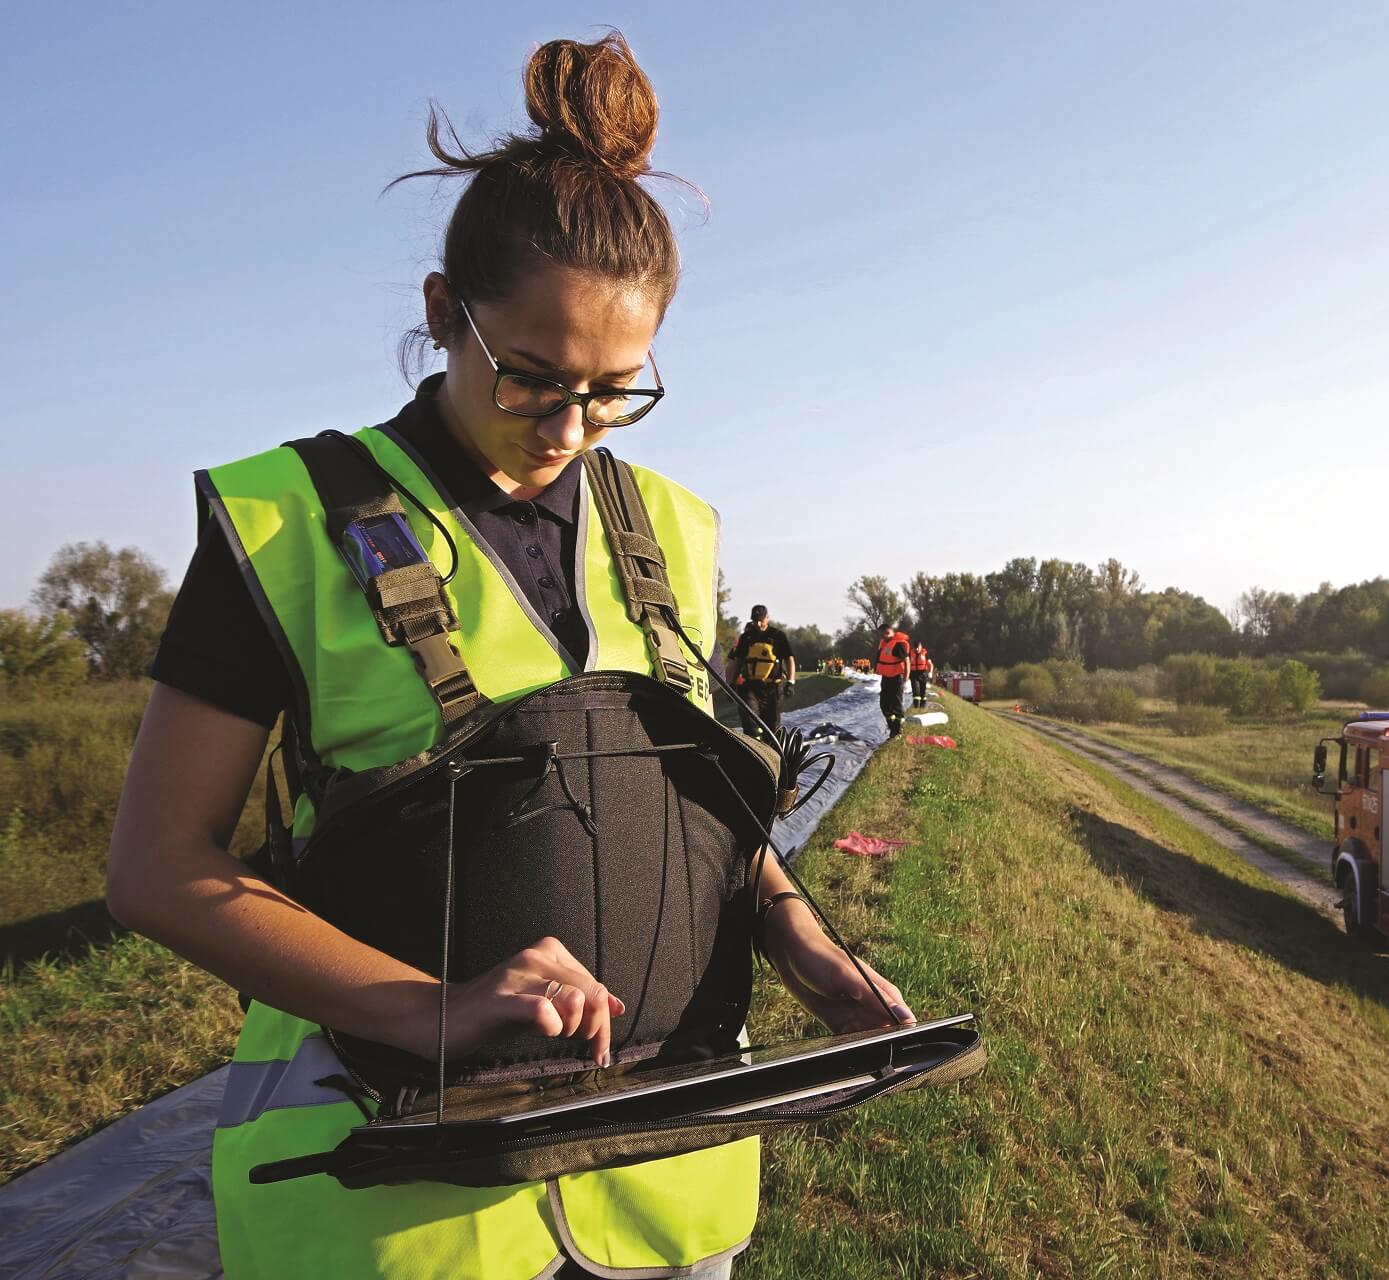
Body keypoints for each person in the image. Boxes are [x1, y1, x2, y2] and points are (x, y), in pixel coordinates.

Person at [104, 33, 912, 1280]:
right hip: (399, 1200)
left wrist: (797, 930)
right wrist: (425, 1007)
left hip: (666, 1177)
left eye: (615, 390)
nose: (570, 425)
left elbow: (688, 803)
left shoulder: (673, 529)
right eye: (532, 377)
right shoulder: (285, 524)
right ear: (443, 313)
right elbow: (157, 866)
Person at [725, 604, 795, 744]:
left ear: (767, 618)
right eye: (755, 620)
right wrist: (731, 684)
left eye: (761, 620)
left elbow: (789, 658)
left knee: (772, 727)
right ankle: (754, 750)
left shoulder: (778, 636)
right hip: (751, 687)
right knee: (750, 721)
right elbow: (737, 661)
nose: (758, 623)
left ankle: (772, 755)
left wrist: (791, 682)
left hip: (773, 689)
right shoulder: (747, 637)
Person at [873, 622, 912, 738]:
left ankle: (897, 731)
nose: (881, 637)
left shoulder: (898, 644)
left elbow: (907, 662)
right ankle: (892, 727)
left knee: (896, 706)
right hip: (886, 678)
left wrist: (905, 681)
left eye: (883, 635)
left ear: (888, 632)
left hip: (897, 678)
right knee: (884, 705)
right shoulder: (884, 643)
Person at [909, 640, 933, 708]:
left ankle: (923, 706)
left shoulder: (925, 654)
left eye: (918, 647)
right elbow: (906, 664)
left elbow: (930, 664)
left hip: (923, 674)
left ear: (920, 647)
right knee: (916, 691)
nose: (916, 649)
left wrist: (930, 672)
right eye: (915, 648)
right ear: (913, 648)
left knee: (923, 691)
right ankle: (916, 706)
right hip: (913, 674)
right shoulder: (910, 654)